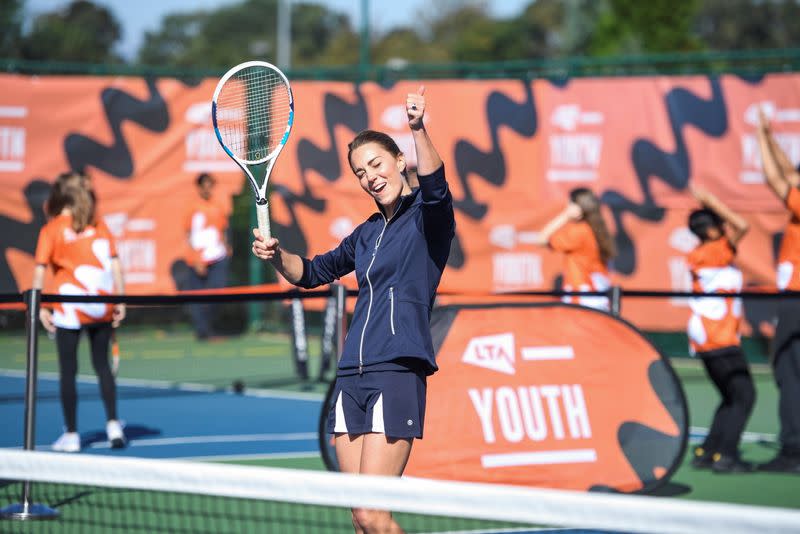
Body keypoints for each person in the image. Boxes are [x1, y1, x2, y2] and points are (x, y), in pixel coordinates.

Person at [252, 86, 454, 533]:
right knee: (358, 519)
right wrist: (276, 253)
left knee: (372, 513)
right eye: (361, 173)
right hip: (350, 377)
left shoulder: (428, 217)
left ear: (400, 161)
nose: (370, 177)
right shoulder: (363, 235)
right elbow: (310, 272)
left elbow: (437, 187)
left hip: (397, 371)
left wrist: (418, 128)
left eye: (377, 164)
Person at [33, 172, 126, 452]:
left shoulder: (51, 229)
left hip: (69, 308)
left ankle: (72, 434)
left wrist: (40, 306)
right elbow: (115, 266)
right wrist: (119, 300)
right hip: (101, 306)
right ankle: (112, 425)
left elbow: (39, 271)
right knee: (102, 366)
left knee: (68, 371)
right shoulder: (99, 224)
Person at [685, 186, 755, 473]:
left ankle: (709, 450)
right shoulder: (714, 251)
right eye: (720, 226)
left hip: (709, 335)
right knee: (745, 395)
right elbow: (743, 225)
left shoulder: (707, 253)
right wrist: (712, 199)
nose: (727, 229)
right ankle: (726, 455)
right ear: (712, 232)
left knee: (731, 396)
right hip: (718, 336)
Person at [756, 108, 800, 473]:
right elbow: (788, 173)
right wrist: (770, 136)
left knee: (790, 375)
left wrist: (758, 136)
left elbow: (774, 177)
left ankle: (792, 452)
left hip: (795, 301)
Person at [532, 188, 616, 311]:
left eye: (570, 204)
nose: (567, 207)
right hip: (598, 297)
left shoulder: (579, 231)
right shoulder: (596, 229)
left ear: (578, 208)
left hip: (582, 297)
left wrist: (565, 216)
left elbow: (541, 239)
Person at [183, 172, 230, 340]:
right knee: (198, 298)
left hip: (218, 257)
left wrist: (226, 247)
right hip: (198, 260)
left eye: (211, 184)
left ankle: (209, 328)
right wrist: (196, 260)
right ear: (199, 187)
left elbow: (222, 230)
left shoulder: (218, 206)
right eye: (205, 185)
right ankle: (203, 331)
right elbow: (189, 236)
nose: (208, 188)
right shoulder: (193, 208)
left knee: (217, 294)